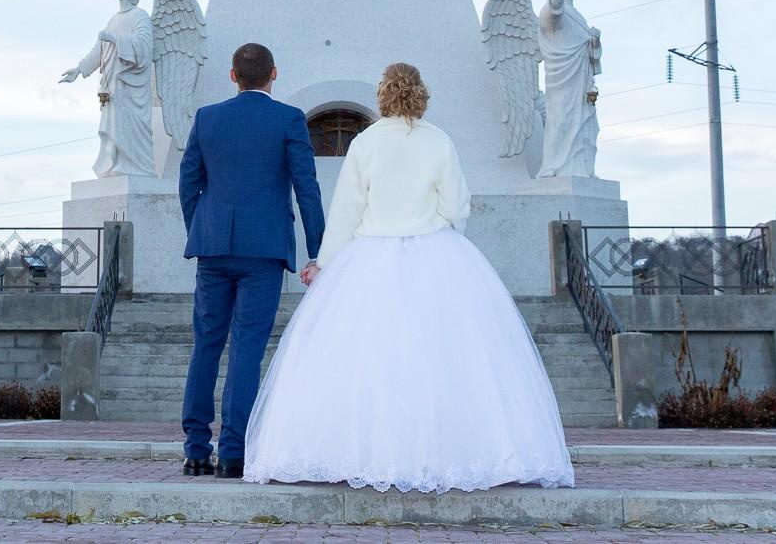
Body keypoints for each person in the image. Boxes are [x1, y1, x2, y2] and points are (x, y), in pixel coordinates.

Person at [244, 62, 575, 492]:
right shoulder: (439, 141)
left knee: (366, 358)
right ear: (421, 93)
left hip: (369, 256)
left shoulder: (364, 143)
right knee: (445, 357)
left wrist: (324, 261)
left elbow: (346, 211)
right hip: (434, 251)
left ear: (382, 94)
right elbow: (457, 207)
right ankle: (448, 453)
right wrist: (435, 222)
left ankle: (360, 453)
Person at [176, 42, 325, 479]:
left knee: (206, 344)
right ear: (274, 74)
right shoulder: (289, 119)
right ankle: (234, 452)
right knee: (247, 348)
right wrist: (318, 248)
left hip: (214, 247)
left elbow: (189, 184)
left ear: (232, 75)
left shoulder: (207, 118)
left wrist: (201, 229)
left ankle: (195, 449)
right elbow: (306, 187)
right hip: (264, 250)